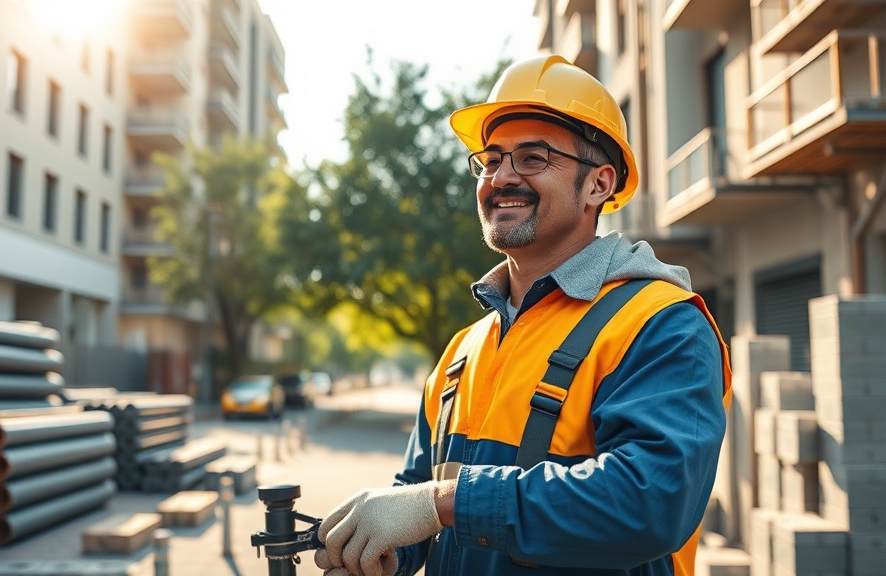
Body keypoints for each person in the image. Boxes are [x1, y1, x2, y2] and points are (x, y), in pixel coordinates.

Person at [313, 54, 732, 576]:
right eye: (490, 160)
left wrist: (442, 503)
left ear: (599, 185)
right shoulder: (463, 350)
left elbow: (650, 503)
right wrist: (380, 551)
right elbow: (419, 500)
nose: (501, 177)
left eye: (533, 158)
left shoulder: (660, 324)